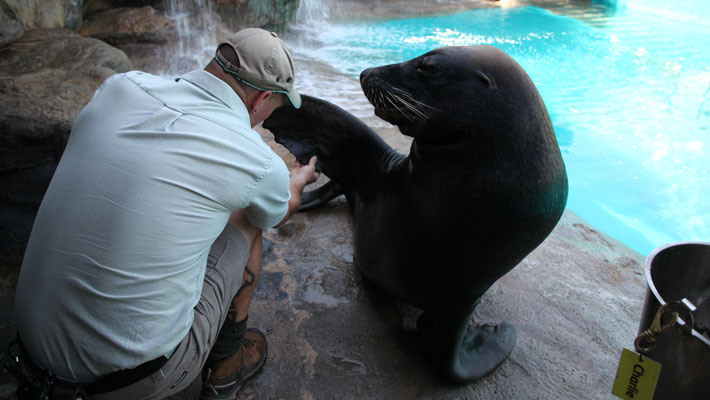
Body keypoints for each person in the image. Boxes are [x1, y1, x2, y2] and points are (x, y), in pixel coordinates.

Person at [13, 27, 318, 400]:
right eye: (277, 106)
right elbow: (277, 211)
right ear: (261, 99)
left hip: (29, 352)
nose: (271, 114)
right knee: (249, 215)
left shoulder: (120, 87)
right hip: (127, 381)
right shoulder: (253, 159)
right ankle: (226, 366)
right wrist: (297, 184)